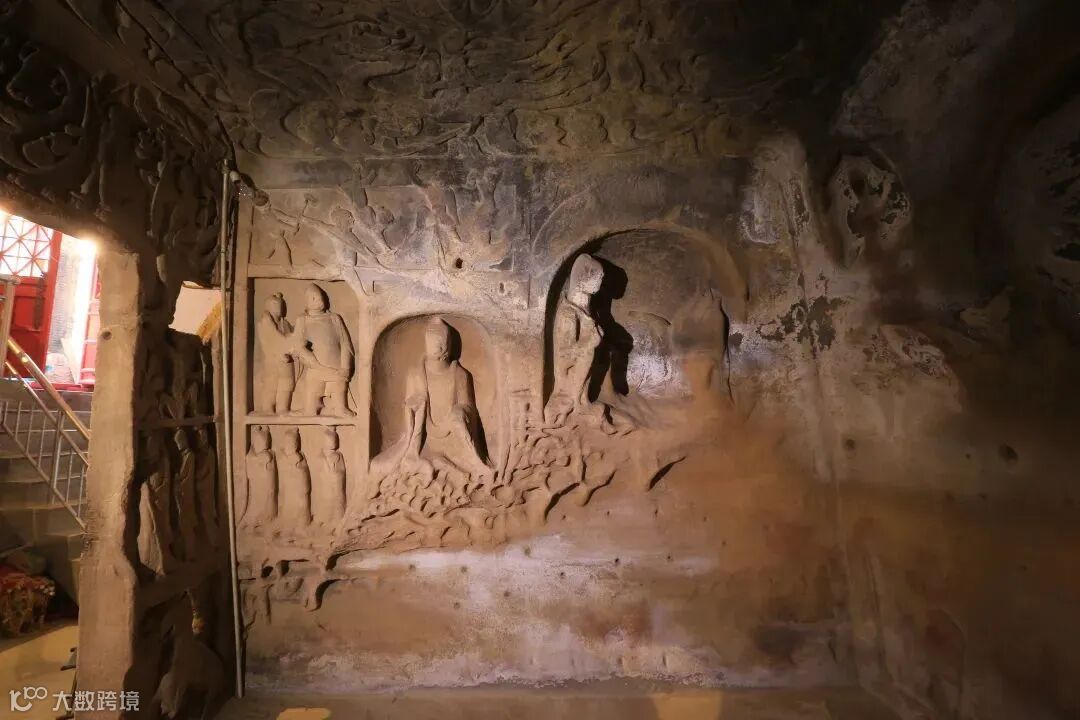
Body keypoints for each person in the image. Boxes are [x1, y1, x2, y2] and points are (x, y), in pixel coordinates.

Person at [291, 284, 354, 416]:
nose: (319, 300)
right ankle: (312, 408)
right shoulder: (303, 320)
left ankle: (339, 407)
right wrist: (309, 359)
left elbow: (345, 343)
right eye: (313, 297)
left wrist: (346, 367)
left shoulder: (334, 318)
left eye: (320, 296)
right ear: (307, 302)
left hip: (336, 367)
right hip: (315, 368)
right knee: (310, 409)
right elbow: (297, 344)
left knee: (339, 397)